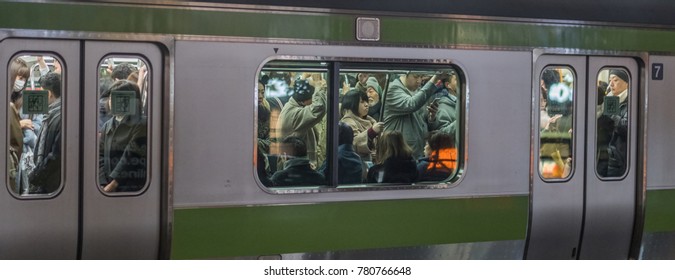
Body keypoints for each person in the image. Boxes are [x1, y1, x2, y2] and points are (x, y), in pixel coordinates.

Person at [382, 71, 447, 158]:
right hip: (398, 153)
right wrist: (434, 79)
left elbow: (423, 120)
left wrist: (431, 117)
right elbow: (411, 104)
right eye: (416, 76)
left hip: (416, 152)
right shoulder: (391, 89)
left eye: (421, 77)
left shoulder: (417, 91)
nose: (419, 81)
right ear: (405, 73)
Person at [99, 80, 148, 192]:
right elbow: (100, 155)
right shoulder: (107, 125)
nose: (112, 102)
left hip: (132, 188)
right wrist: (101, 182)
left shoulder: (142, 124)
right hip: (107, 186)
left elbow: (131, 157)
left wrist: (112, 185)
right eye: (111, 98)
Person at [276, 77, 327, 169]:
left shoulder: (292, 106)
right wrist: (318, 89)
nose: (313, 102)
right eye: (313, 99)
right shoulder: (294, 114)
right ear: (305, 101)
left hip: (296, 164)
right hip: (295, 168)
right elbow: (319, 108)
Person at [29, 72, 62, 194]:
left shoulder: (60, 116)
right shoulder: (51, 114)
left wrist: (37, 175)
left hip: (52, 184)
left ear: (48, 93)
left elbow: (56, 155)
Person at [340, 89, 384, 164]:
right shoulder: (347, 121)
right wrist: (371, 132)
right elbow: (353, 143)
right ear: (352, 104)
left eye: (366, 101)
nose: (367, 104)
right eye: (362, 102)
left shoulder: (371, 121)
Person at [604, 69, 629, 177]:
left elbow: (626, 128)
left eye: (616, 80)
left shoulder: (632, 101)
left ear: (627, 83)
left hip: (619, 159)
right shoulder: (611, 99)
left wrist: (612, 113)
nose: (611, 84)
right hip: (606, 154)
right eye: (610, 80)